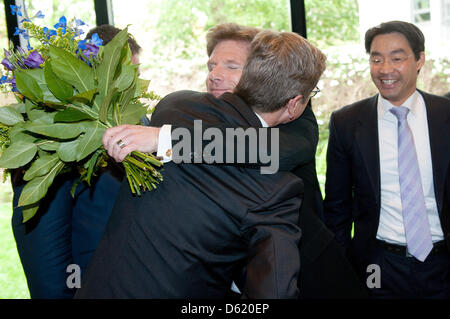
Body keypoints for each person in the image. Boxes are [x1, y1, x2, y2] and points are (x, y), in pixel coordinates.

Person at [103, 22, 366, 298]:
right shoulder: (189, 111)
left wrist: (164, 140)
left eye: (231, 66)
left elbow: (261, 148)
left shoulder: (297, 123)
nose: (215, 75)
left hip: (308, 272)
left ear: (259, 74)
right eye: (211, 66)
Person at [10, 25, 142, 299]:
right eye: (124, 74)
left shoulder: (140, 126)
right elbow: (43, 243)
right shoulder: (53, 136)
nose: (134, 84)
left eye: (136, 73)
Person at [323, 20, 450, 298]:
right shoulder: (347, 122)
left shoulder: (445, 115)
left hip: (442, 263)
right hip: (378, 264)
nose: (385, 69)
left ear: (419, 60)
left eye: (397, 58)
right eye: (376, 59)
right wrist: (342, 270)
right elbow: (337, 208)